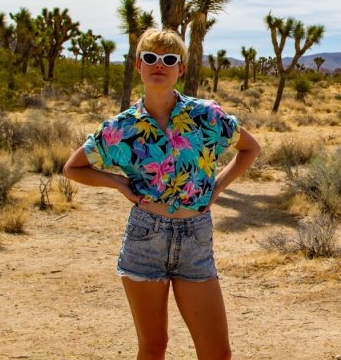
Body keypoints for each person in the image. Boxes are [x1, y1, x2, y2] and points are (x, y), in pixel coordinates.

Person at [63, 28, 260, 360]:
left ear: (180, 68)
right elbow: (73, 168)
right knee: (153, 347)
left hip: (195, 239)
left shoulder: (206, 115)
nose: (159, 64)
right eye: (150, 57)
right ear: (138, 65)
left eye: (169, 59)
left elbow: (250, 148)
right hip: (145, 237)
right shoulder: (121, 127)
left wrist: (216, 188)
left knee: (217, 352)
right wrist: (117, 183)